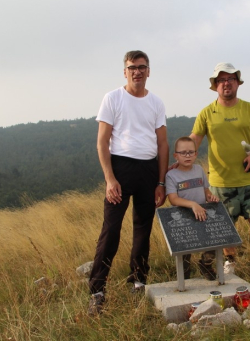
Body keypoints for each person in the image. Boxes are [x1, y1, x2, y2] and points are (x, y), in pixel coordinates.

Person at [88, 50, 169, 316]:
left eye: (142, 67)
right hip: (120, 168)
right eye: (132, 67)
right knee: (111, 230)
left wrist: (160, 181)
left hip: (148, 169)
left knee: (143, 230)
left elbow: (162, 143)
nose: (137, 71)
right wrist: (110, 179)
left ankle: (138, 281)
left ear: (148, 71)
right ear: (125, 72)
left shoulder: (156, 102)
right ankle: (98, 290)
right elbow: (102, 142)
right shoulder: (112, 98)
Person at [189, 62, 250, 277]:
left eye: (230, 79)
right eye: (221, 80)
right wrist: (181, 156)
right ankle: (230, 261)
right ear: (215, 85)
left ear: (237, 83)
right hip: (221, 182)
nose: (226, 83)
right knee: (225, 225)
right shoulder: (207, 113)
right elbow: (195, 138)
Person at [165, 136, 220, 281]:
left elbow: (206, 191)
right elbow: (173, 199)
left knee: (214, 240)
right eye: (183, 153)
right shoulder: (171, 175)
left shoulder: (199, 169)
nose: (187, 156)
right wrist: (192, 204)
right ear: (175, 155)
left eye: (191, 152)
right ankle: (185, 280)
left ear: (196, 153)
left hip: (202, 213)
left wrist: (210, 197)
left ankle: (206, 265)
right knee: (185, 252)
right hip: (183, 215)